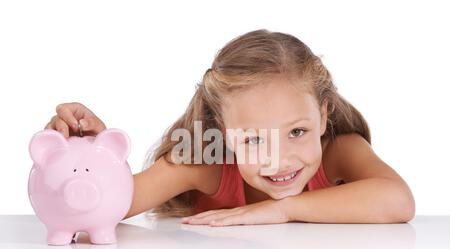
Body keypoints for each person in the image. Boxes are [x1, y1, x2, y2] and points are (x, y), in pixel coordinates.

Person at [44, 29, 415, 226]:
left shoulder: (340, 151)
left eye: (297, 132)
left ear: (323, 115)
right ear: (222, 132)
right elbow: (102, 207)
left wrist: (281, 210)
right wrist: (94, 158)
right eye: (253, 139)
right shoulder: (205, 160)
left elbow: (398, 201)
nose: (279, 159)